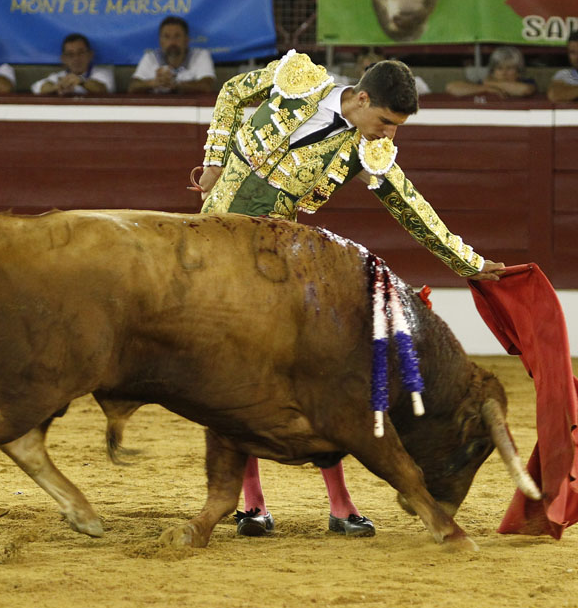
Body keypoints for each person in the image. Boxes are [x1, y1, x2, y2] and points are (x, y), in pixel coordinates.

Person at [194, 51, 506, 537]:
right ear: (361, 99)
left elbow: (411, 207)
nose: (389, 135)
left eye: (397, 126)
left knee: (319, 370)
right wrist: (214, 162)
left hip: (271, 261)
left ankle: (340, 505)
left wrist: (469, 262)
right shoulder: (298, 79)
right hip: (210, 243)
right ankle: (252, 505)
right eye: (385, 122)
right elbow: (233, 93)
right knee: (229, 378)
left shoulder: (365, 149)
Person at [128, 16, 217, 94]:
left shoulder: (200, 55)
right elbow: (133, 87)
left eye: (177, 36)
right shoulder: (150, 57)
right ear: (160, 41)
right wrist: (154, 83)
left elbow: (207, 87)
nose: (172, 42)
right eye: (167, 37)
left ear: (186, 39)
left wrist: (177, 85)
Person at [31, 33, 115, 95]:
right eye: (70, 54)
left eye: (81, 53)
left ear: (90, 55)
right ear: (63, 59)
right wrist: (55, 87)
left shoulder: (103, 73)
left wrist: (81, 81)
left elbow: (102, 89)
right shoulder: (59, 76)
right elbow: (38, 87)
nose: (76, 58)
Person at [445, 46, 536, 99]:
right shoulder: (484, 85)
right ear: (493, 71)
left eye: (509, 68)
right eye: (499, 68)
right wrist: (486, 89)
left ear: (518, 71)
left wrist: (491, 83)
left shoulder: (527, 82)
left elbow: (524, 90)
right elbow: (451, 88)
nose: (504, 73)